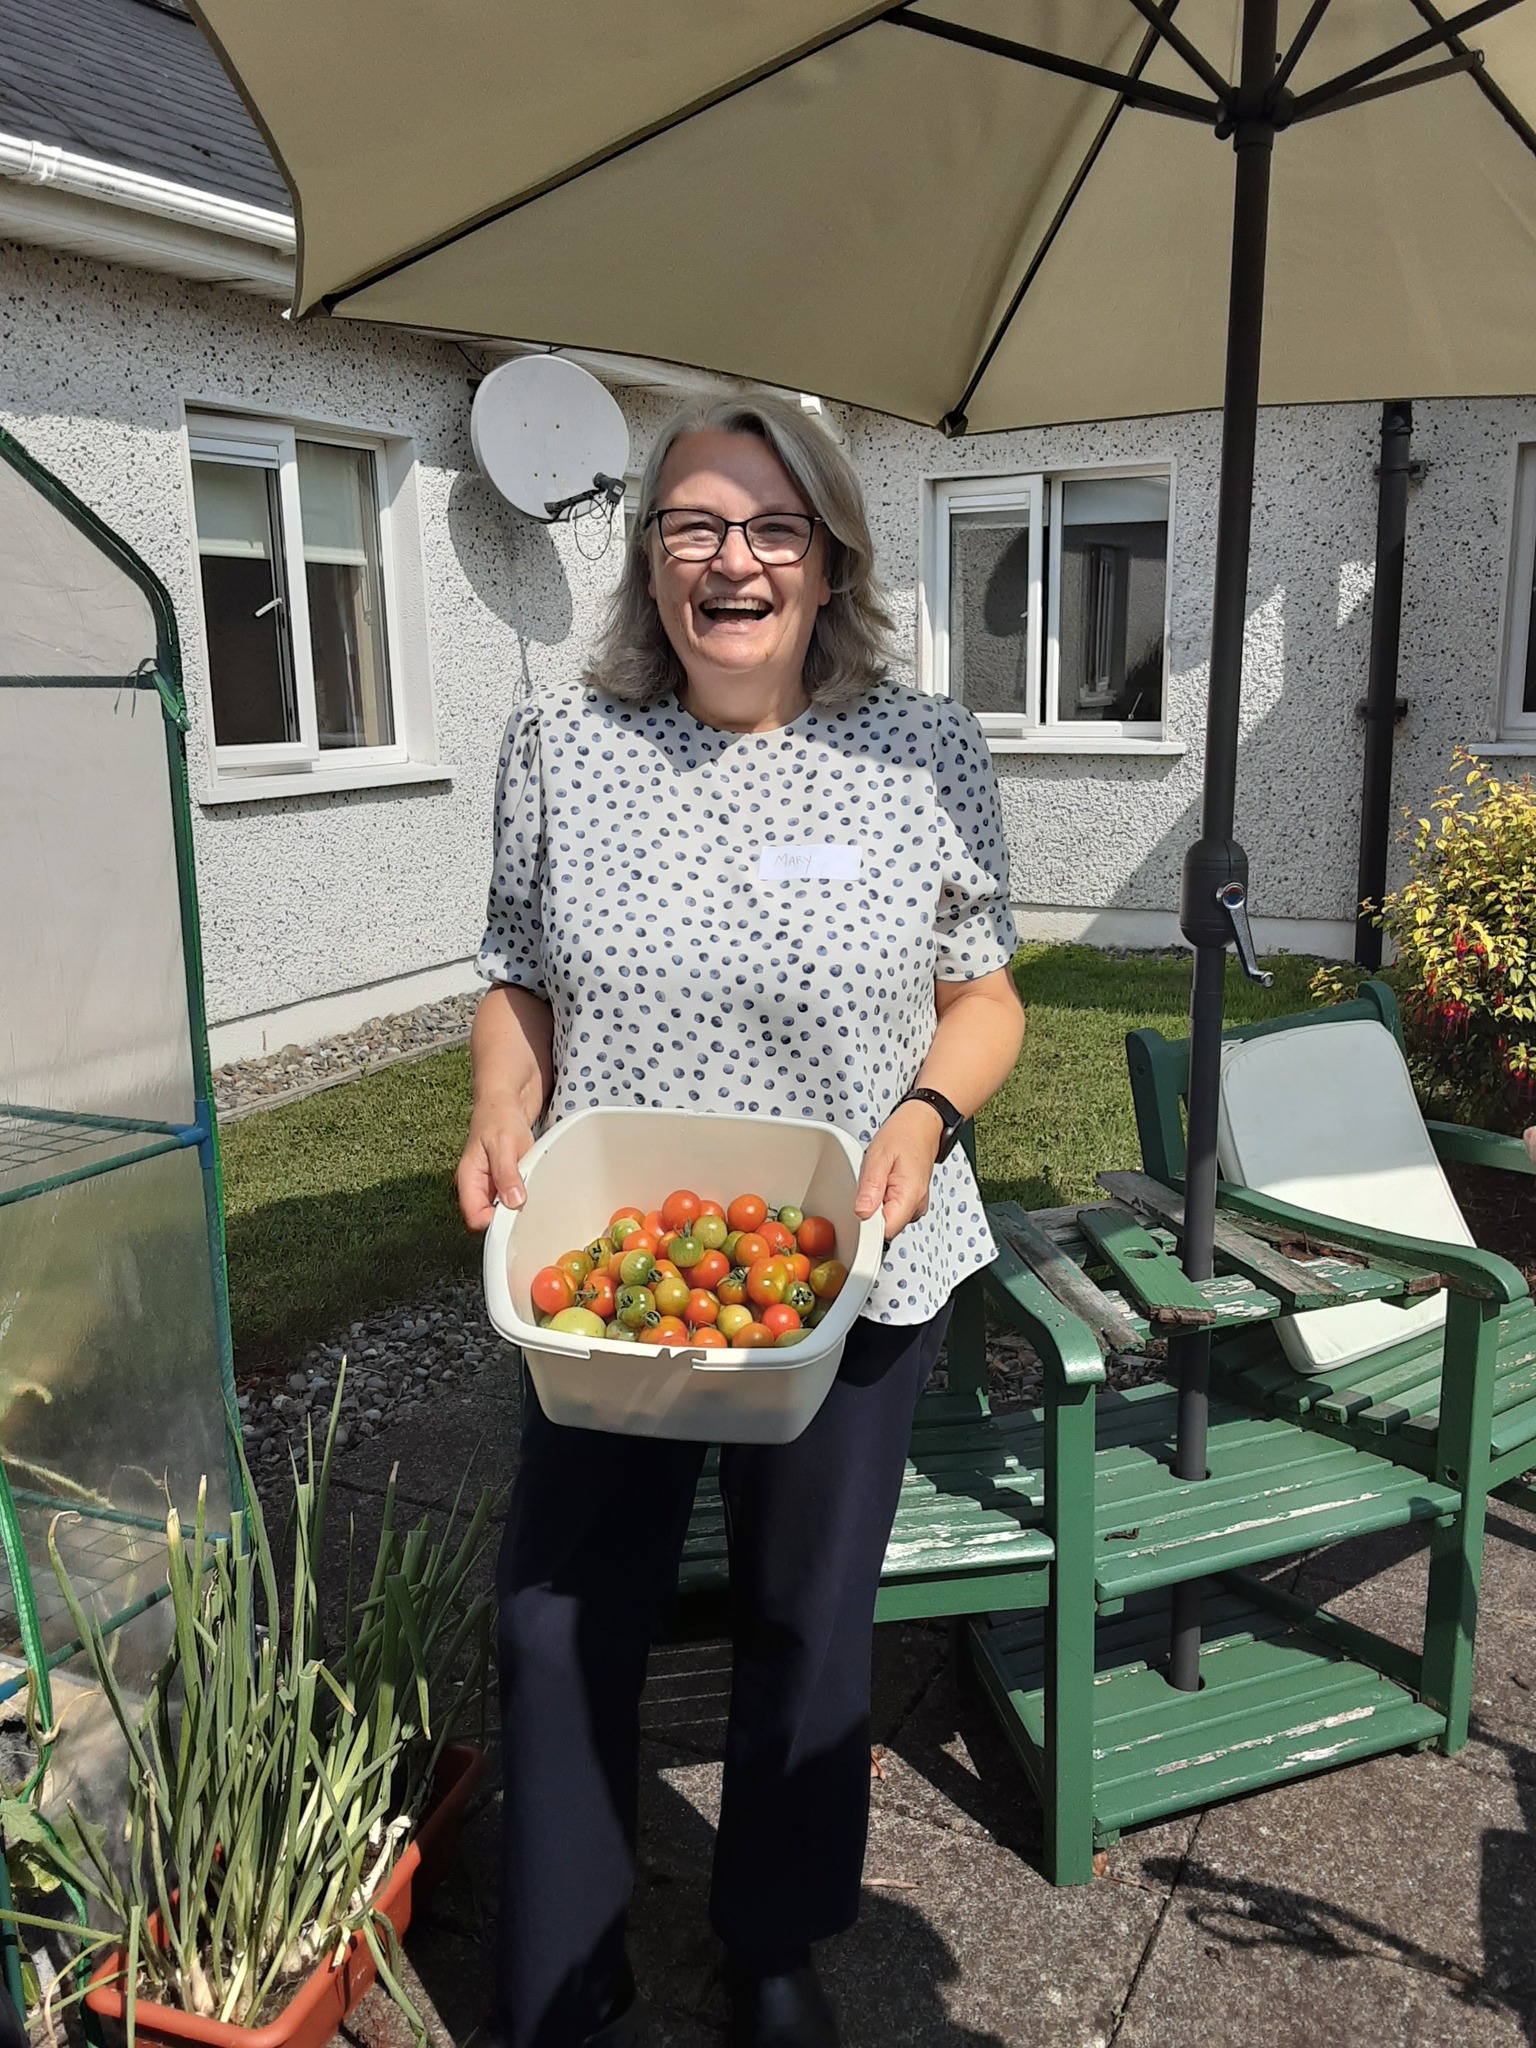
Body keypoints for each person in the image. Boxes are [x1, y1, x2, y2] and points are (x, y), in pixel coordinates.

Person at [458, 393, 1025, 2048]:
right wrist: (501, 1107)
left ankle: (774, 1943)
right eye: (694, 525)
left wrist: (925, 1114)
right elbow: (517, 982)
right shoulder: (563, 743)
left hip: (849, 1259)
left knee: (804, 1617)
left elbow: (982, 1000)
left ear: (830, 559)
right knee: (558, 1618)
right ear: (650, 560)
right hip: (614, 1277)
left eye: (774, 528)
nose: (733, 561)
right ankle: (564, 1968)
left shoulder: (918, 745)